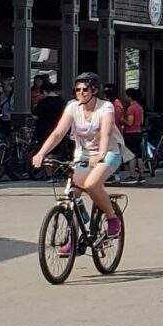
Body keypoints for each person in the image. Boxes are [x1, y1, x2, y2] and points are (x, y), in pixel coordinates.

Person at [33, 73, 127, 238]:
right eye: (77, 90)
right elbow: (58, 133)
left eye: (85, 90)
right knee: (70, 197)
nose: (80, 93)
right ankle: (74, 239)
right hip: (82, 155)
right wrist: (41, 153)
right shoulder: (72, 107)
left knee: (91, 185)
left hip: (109, 153)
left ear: (94, 91)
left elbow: (105, 133)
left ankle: (112, 218)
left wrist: (101, 154)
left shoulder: (106, 107)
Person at [28, 78, 65, 160]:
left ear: (44, 92)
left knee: (46, 151)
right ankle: (54, 169)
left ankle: (48, 171)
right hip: (59, 130)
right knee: (56, 151)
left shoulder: (43, 102)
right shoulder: (62, 101)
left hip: (44, 130)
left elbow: (36, 116)